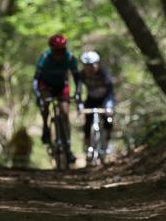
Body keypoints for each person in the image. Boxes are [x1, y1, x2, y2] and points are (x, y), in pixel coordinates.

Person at [32, 34, 82, 163]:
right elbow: (36, 79)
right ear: (51, 49)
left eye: (62, 50)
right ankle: (45, 128)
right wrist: (38, 94)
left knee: (64, 113)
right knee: (45, 105)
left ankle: (68, 147)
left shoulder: (70, 58)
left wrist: (78, 92)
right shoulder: (45, 57)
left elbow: (77, 78)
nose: (59, 54)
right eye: (56, 51)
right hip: (46, 86)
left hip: (61, 86)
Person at [78, 50, 115, 152]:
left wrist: (109, 106)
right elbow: (79, 90)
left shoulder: (104, 73)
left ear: (97, 64)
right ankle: (88, 146)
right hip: (91, 99)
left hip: (105, 98)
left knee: (108, 120)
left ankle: (107, 142)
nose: (89, 69)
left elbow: (110, 91)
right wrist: (79, 104)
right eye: (86, 66)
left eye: (92, 66)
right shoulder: (82, 75)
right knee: (87, 122)